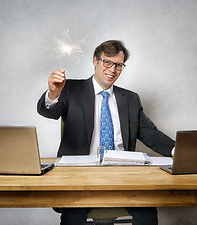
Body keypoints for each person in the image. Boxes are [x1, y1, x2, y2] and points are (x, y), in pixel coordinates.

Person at [37, 40, 175, 225]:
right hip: (80, 177)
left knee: (147, 213)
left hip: (124, 177)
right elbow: (49, 112)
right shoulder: (71, 89)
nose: (112, 69)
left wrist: (179, 151)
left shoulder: (131, 99)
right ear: (96, 61)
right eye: (107, 62)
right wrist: (53, 94)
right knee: (73, 218)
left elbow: (149, 133)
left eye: (118, 65)